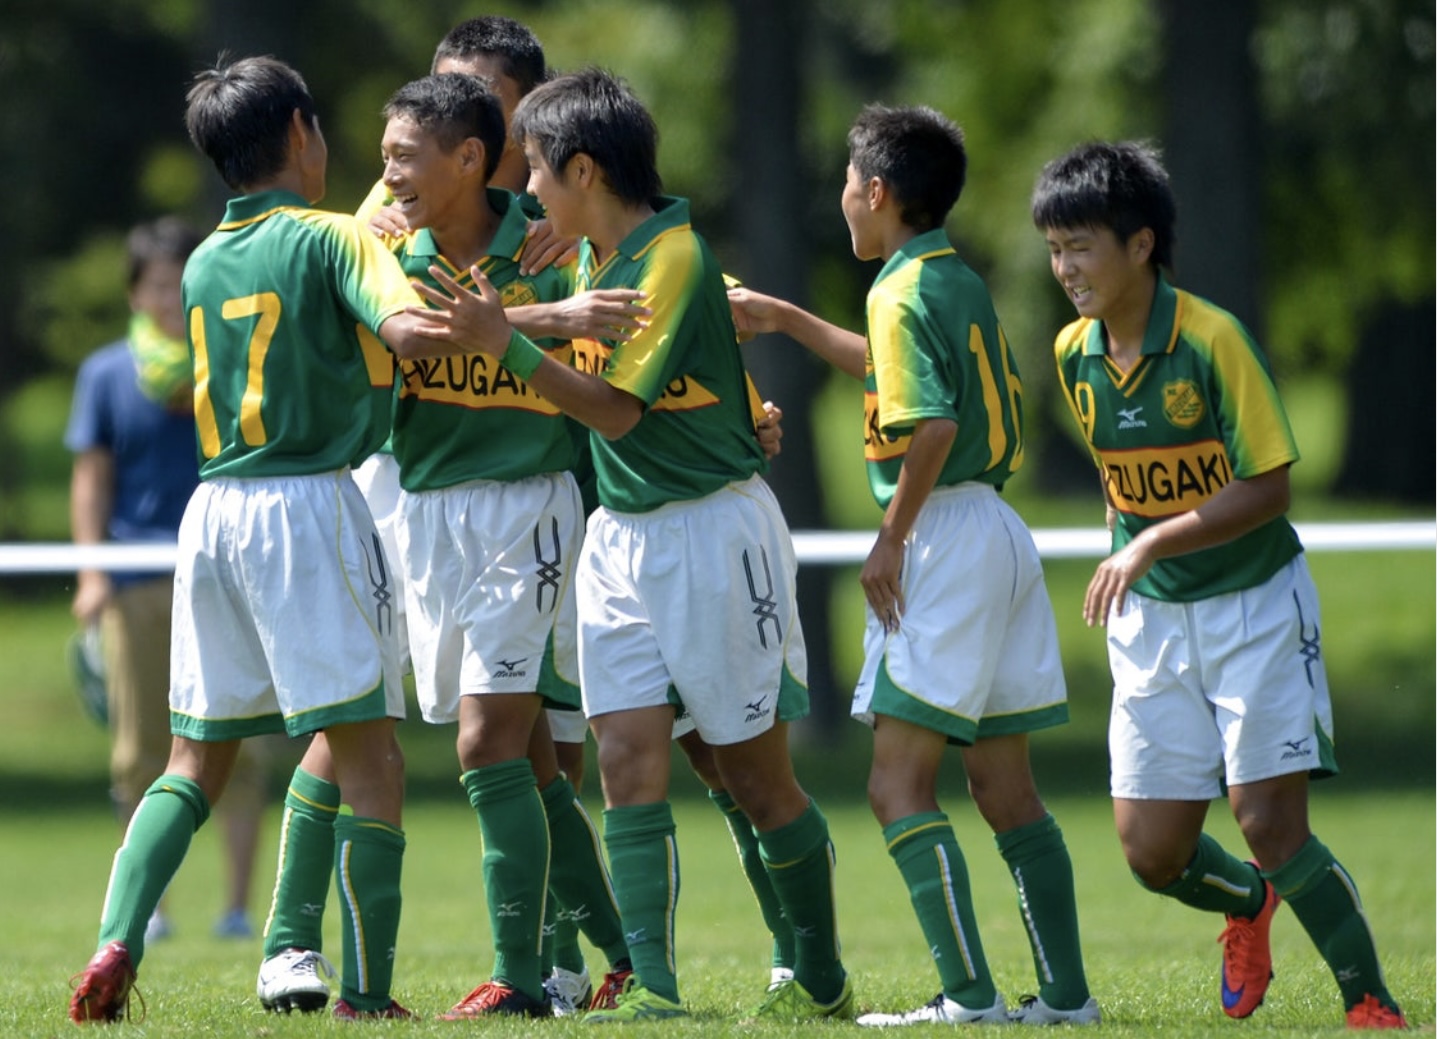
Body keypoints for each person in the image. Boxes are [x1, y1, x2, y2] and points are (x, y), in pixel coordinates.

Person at [66, 54, 499, 1024]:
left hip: (214, 512)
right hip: (308, 506)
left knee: (192, 761)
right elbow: (403, 330)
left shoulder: (204, 260)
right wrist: (495, 322)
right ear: (304, 133)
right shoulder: (333, 234)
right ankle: (368, 995)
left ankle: (117, 937)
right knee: (371, 757)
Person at [416, 65, 851, 1024]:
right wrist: (743, 406)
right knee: (623, 758)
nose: (527, 189)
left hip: (711, 534)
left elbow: (616, 410)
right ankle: (651, 983)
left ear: (583, 170)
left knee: (753, 775)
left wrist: (505, 343)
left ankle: (820, 973)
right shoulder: (588, 258)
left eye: (537, 168)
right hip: (617, 538)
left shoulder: (673, 258)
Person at [727, 104, 1099, 1027]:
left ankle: (968, 998)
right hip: (998, 529)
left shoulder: (895, 292)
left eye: (846, 183)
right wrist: (785, 318)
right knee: (1004, 786)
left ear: (877, 191)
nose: (841, 198)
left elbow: (930, 422)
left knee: (895, 785)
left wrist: (890, 535)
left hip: (941, 535)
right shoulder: (948, 277)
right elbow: (896, 373)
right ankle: (1066, 999)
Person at [1032, 139, 1407, 1031]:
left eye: (1080, 246)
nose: (1065, 268)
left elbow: (1268, 486)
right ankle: (1247, 904)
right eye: (1053, 249)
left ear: (1140, 245)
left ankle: (1369, 1001)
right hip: (1153, 621)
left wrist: (1148, 544)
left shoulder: (1211, 339)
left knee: (1267, 822)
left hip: (1254, 606)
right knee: (1150, 852)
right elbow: (1123, 474)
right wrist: (1134, 544)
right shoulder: (1073, 352)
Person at [64, 216, 271, 944]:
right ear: (134, 293)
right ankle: (149, 908)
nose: (169, 298)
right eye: (157, 285)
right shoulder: (105, 374)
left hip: (229, 575)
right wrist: (92, 570)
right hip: (138, 581)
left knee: (243, 747)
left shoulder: (236, 359)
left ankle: (238, 908)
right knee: (140, 750)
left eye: (181, 284)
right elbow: (91, 478)